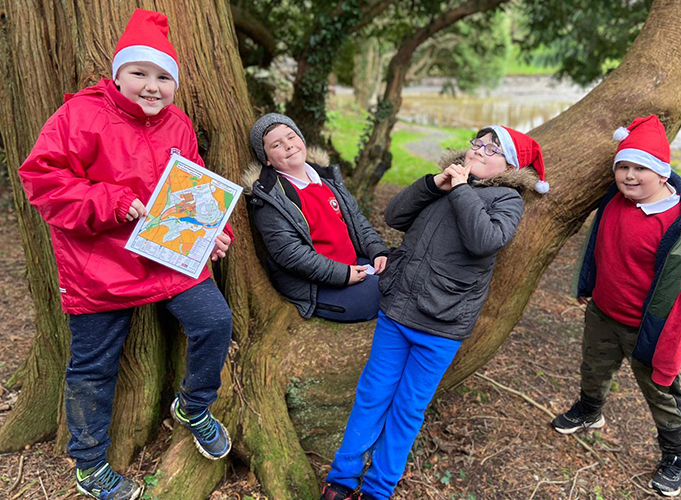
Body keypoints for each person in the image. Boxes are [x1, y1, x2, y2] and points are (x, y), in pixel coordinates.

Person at [19, 9, 236, 500]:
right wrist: (113, 201)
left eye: (164, 77)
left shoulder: (179, 124)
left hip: (166, 254)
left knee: (214, 322)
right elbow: (43, 181)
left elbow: (195, 190)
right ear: (117, 73)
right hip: (99, 262)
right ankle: (91, 464)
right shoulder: (79, 114)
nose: (152, 86)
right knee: (94, 367)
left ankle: (194, 405)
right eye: (139, 73)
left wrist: (212, 235)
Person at [321, 126, 548, 500]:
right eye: (478, 143)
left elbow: (485, 240)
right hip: (397, 310)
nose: (479, 150)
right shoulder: (445, 185)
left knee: (408, 408)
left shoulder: (508, 199)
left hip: (442, 323)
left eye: (493, 149)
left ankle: (378, 488)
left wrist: (461, 191)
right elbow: (394, 215)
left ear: (509, 166)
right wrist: (434, 184)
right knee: (372, 394)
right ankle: (342, 478)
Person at [552, 115, 681, 497]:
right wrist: (589, 284)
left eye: (641, 168)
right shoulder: (615, 201)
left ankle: (674, 456)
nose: (630, 176)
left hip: (648, 329)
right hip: (603, 312)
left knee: (661, 392)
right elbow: (601, 246)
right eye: (623, 167)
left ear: (662, 173)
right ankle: (589, 410)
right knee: (593, 366)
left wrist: (671, 345)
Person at [246, 113, 389, 322]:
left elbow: (358, 222)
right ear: (266, 158)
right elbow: (291, 254)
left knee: (399, 271)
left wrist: (377, 251)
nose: (288, 146)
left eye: (291, 137)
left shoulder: (326, 179)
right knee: (381, 293)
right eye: (276, 144)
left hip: (353, 263)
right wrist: (343, 275)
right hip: (316, 283)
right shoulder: (271, 198)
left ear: (301, 140)